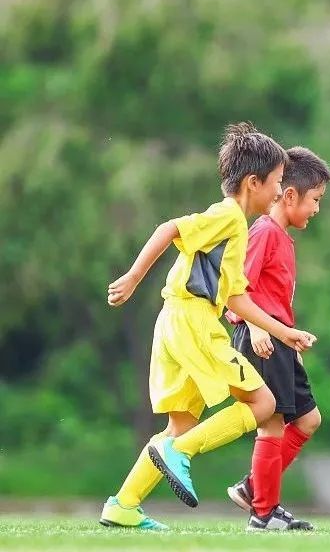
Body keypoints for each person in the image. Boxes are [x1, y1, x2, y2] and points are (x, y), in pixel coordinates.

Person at [99, 123, 316, 530]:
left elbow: (236, 299)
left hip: (174, 321)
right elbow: (169, 228)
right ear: (254, 182)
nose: (277, 192)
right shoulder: (229, 216)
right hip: (193, 322)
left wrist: (286, 333)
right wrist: (132, 277)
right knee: (263, 404)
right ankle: (180, 453)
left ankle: (124, 504)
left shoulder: (234, 226)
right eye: (276, 183)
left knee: (180, 423)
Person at [223, 146, 330, 531]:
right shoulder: (264, 232)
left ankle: (254, 488)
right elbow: (236, 291)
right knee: (271, 424)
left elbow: (274, 298)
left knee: (308, 420)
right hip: (261, 339)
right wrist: (255, 327)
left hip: (278, 341)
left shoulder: (283, 238)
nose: (317, 209)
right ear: (290, 195)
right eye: (316, 200)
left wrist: (291, 345)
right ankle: (264, 512)